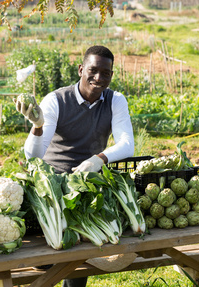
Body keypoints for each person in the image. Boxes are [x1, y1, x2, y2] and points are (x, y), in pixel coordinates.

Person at [16, 45, 134, 287]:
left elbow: (127, 145)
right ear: (81, 69)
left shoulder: (116, 101)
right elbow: (34, 155)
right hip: (51, 189)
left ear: (112, 74)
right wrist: (37, 126)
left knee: (77, 265)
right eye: (92, 70)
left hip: (86, 190)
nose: (99, 78)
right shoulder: (56, 100)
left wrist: (98, 159)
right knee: (47, 262)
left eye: (106, 73)